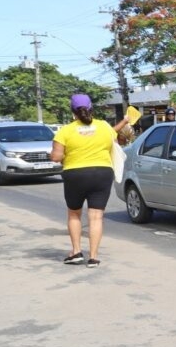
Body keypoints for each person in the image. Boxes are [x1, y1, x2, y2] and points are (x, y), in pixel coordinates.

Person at [51, 94, 130, 268]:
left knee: (74, 213)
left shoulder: (65, 131)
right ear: (91, 109)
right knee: (96, 217)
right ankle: (93, 257)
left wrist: (66, 154)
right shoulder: (103, 126)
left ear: (73, 111)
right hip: (102, 173)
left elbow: (56, 157)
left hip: (75, 174)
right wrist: (124, 122)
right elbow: (114, 140)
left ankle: (76, 252)